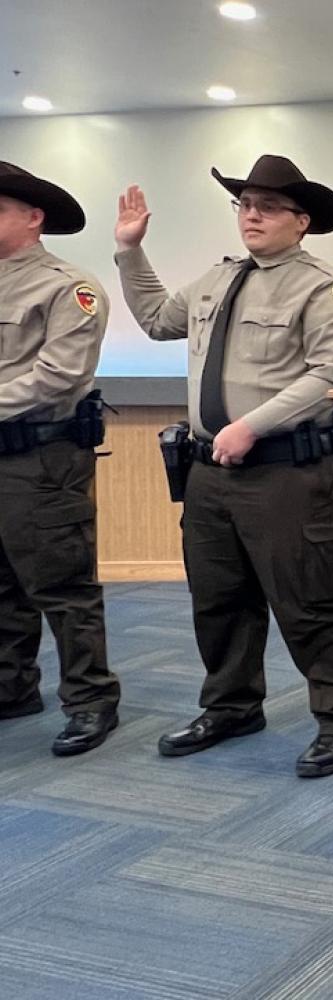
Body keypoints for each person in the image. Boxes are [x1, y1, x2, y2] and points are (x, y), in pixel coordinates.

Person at [114, 155, 333, 778]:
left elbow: (331, 376)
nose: (251, 216)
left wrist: (249, 426)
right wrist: (129, 253)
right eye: (244, 205)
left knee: (311, 602)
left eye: (268, 207)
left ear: (301, 220)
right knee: (219, 599)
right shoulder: (216, 279)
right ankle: (231, 705)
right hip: (210, 473)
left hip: (289, 472)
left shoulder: (322, 287)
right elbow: (155, 322)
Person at [0, 161, 120, 756]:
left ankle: (91, 699)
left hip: (40, 457)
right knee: (1, 584)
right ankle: (12, 687)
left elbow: (58, 377)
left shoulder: (66, 285)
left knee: (61, 584)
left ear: (32, 217)